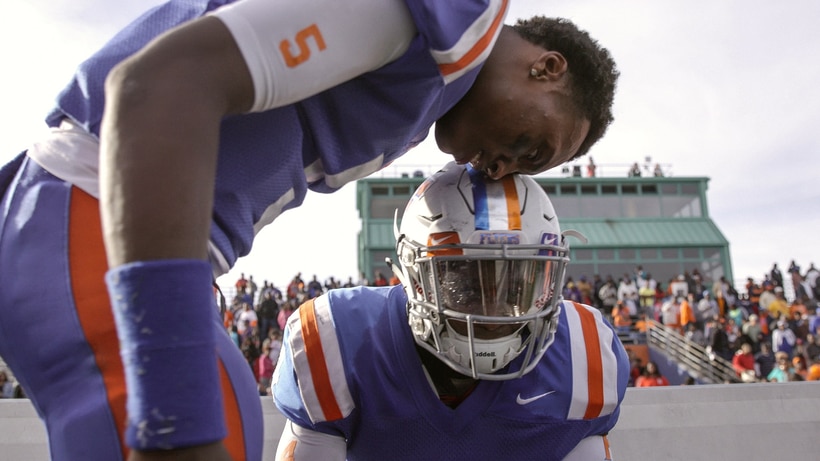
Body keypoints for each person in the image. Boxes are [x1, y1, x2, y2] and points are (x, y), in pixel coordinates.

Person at [0, 1, 619, 459]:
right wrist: (176, 393)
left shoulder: (439, 82)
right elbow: (158, 82)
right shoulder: (457, 18)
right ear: (547, 68)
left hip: (88, 222)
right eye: (530, 146)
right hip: (88, 210)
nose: (504, 168)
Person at [272, 163, 629, 460]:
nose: (494, 311)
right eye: (465, 281)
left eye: (516, 284)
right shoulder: (339, 342)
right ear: (415, 277)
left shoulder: (584, 357)